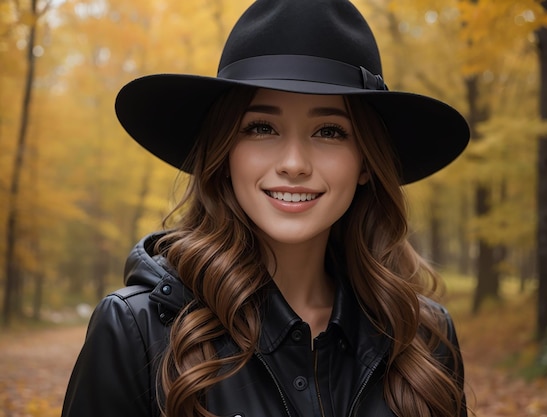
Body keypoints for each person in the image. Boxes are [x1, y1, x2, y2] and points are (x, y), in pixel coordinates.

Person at [61, 0, 471, 416]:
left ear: (366, 161)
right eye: (261, 128)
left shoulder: (423, 340)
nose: (294, 163)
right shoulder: (135, 330)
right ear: (224, 154)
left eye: (329, 131)